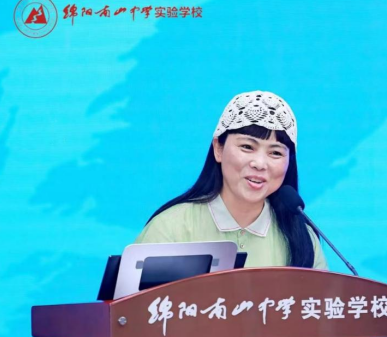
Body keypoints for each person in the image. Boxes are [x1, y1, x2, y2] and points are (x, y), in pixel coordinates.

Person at [135, 90, 328, 270]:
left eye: (275, 153)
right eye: (247, 147)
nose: (260, 164)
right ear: (218, 149)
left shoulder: (302, 240)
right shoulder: (171, 228)